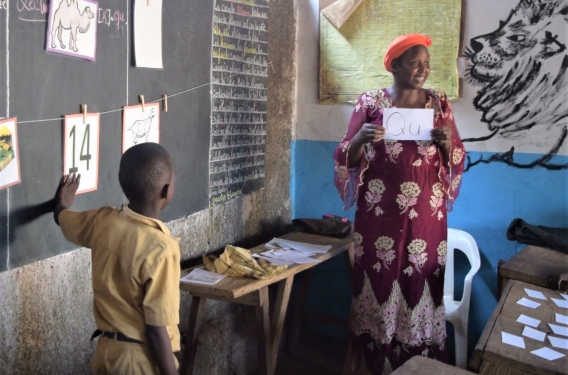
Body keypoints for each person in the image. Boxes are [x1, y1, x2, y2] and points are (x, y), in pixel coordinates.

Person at [334, 34, 466, 374]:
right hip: (379, 217)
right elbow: (345, 158)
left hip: (427, 219)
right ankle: (374, 362)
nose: (423, 70)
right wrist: (361, 139)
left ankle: (420, 365)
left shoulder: (438, 103)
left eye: (426, 64)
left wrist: (448, 142)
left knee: (420, 280)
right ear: (394, 66)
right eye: (414, 63)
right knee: (379, 280)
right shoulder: (371, 103)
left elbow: (457, 160)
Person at [53, 143, 180, 375]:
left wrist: (61, 204)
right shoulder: (162, 249)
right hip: (137, 360)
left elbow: (62, 219)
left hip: (105, 353)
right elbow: (156, 330)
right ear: (166, 191)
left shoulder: (103, 221)